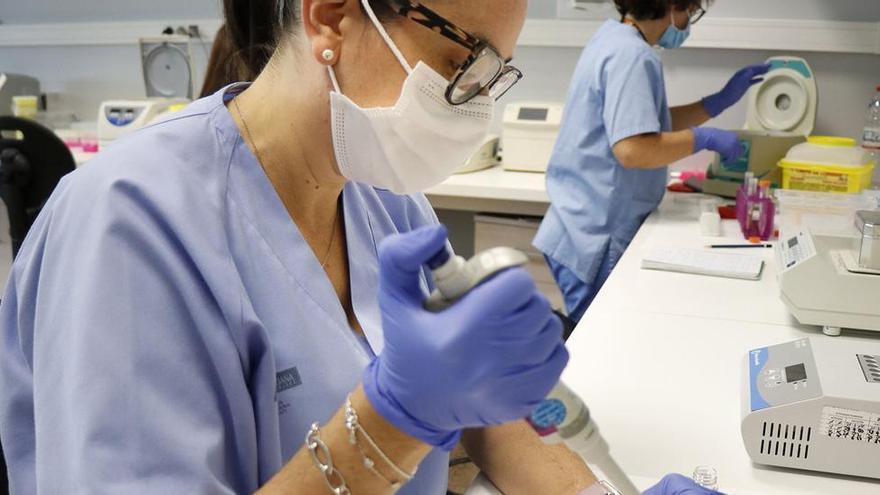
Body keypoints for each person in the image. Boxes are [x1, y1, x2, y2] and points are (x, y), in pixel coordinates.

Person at [0, 1, 721, 494]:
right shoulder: (128, 226)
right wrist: (391, 420)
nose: (478, 104)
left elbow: (493, 416)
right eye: (461, 61)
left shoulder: (385, 195)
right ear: (331, 16)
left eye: (494, 75)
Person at [534, 0, 770, 322]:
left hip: (577, 225)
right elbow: (633, 148)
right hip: (597, 236)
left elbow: (644, 122)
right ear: (674, 5)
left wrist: (715, 103)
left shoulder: (614, 38)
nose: (688, 21)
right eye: (691, 11)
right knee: (598, 348)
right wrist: (704, 138)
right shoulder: (632, 55)